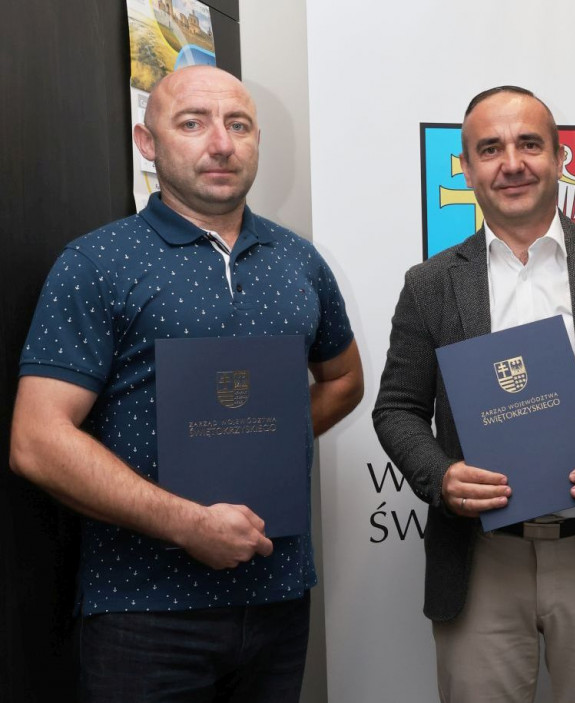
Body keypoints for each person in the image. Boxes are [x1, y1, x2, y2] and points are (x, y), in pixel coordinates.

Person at [9, 65, 363, 702]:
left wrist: (260, 447)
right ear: (148, 143)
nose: (221, 143)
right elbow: (36, 441)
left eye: (238, 125)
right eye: (193, 123)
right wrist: (187, 523)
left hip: (277, 599)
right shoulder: (97, 262)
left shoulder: (300, 261)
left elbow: (342, 380)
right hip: (143, 612)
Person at [373, 86, 575, 703]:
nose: (512, 163)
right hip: (480, 558)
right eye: (490, 149)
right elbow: (397, 409)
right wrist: (440, 477)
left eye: (529, 144)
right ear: (466, 168)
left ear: (558, 158)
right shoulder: (430, 284)